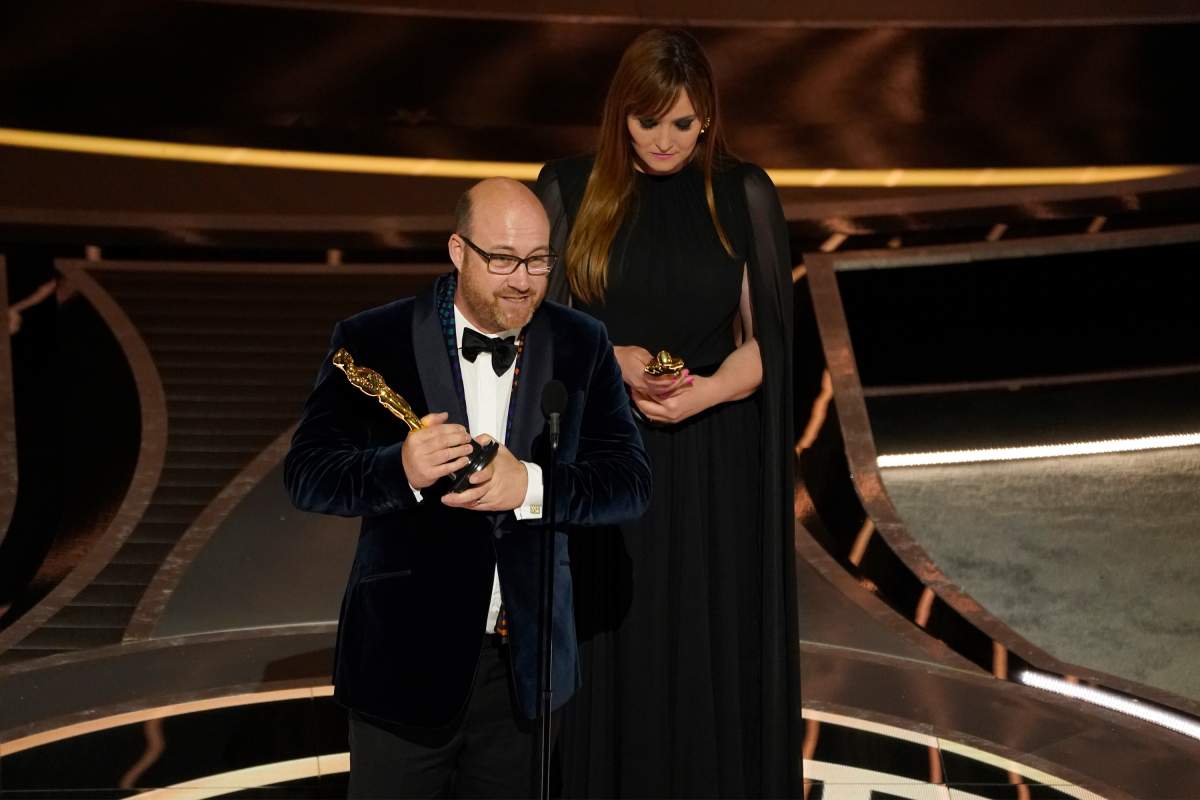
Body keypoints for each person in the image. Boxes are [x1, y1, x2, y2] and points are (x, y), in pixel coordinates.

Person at [284, 178, 651, 798]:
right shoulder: (372, 340)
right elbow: (308, 474)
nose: (523, 280)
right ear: (458, 251)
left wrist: (530, 485)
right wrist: (397, 468)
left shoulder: (582, 343)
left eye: (538, 261)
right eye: (503, 259)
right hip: (402, 666)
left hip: (525, 673)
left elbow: (629, 484)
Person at [535, 28, 800, 797]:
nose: (663, 141)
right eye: (648, 122)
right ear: (621, 115)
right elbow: (536, 332)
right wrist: (614, 363)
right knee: (612, 639)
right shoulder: (569, 188)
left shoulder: (743, 193)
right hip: (605, 456)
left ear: (708, 117)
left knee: (703, 641)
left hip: (713, 463)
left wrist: (706, 393)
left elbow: (770, 348)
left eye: (682, 124)